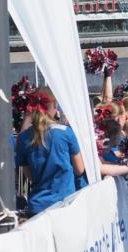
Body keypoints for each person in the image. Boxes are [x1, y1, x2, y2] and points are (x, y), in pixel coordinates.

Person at [16, 88, 85, 216]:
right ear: (54, 105)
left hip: (37, 206)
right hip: (64, 204)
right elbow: (79, 169)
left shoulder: (23, 137)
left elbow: (28, 174)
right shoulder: (66, 132)